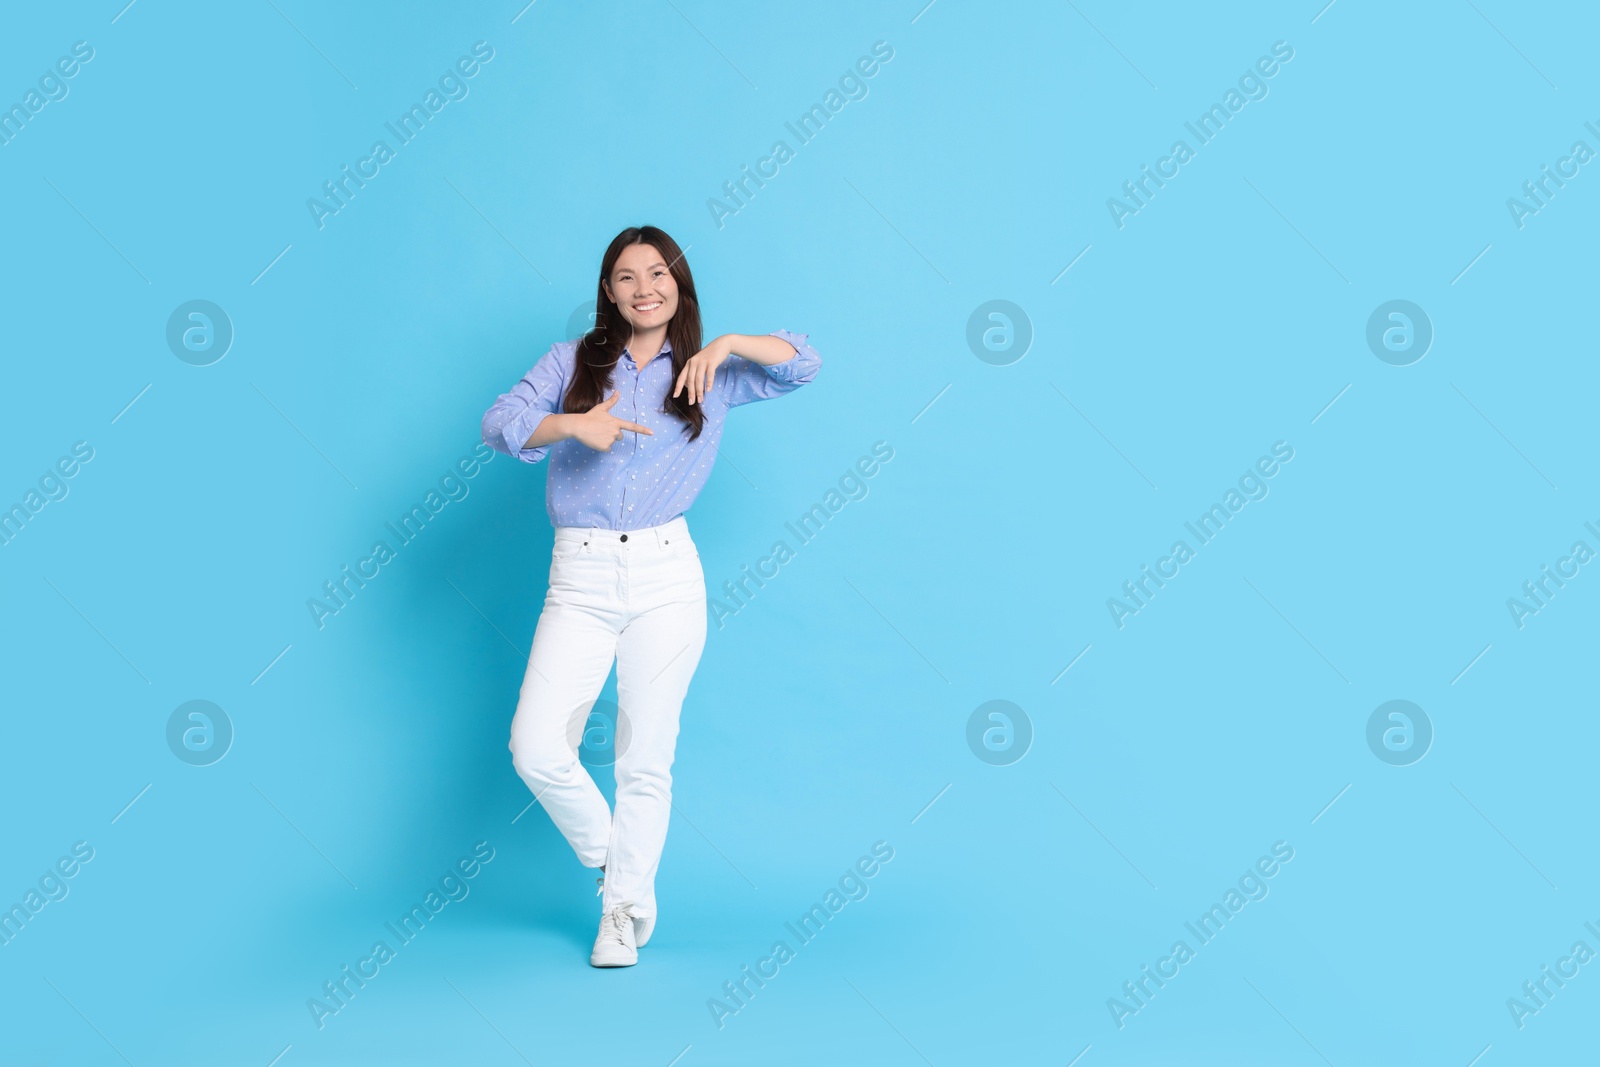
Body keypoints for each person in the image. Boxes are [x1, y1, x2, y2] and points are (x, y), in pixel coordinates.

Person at [479, 225, 821, 966]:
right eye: (627, 277)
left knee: (645, 756)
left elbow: (805, 361)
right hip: (580, 574)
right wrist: (575, 423)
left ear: (678, 283)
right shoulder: (573, 361)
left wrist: (729, 341)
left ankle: (621, 912)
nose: (644, 288)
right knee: (536, 747)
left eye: (658, 274)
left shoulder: (709, 370)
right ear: (608, 290)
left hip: (667, 575)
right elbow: (499, 423)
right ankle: (620, 869)